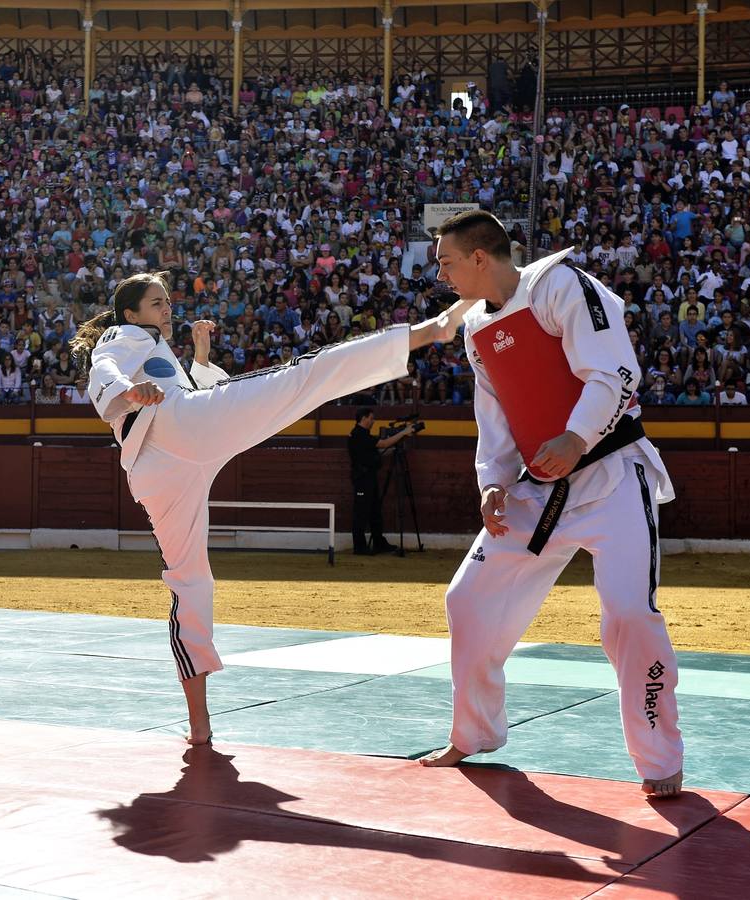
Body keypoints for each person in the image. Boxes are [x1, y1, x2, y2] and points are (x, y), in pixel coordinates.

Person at [72, 272, 467, 746]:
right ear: (131, 313)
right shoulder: (127, 334)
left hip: (161, 469)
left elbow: (181, 392)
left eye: (168, 302)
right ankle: (426, 332)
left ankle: (199, 726)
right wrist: (126, 393)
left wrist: (198, 361)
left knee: (190, 583)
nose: (167, 309)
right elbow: (106, 364)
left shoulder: (155, 349)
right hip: (177, 434)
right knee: (302, 375)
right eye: (157, 303)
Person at [420, 211, 683, 798]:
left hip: (611, 473)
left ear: (480, 257)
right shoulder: (474, 330)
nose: (441, 273)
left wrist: (577, 435)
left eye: (447, 261)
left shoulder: (560, 287)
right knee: (468, 599)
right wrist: (492, 481)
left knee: (628, 614)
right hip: (537, 490)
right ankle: (474, 733)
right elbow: (495, 416)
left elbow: (616, 371)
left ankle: (660, 757)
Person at [347, 408, 410, 555]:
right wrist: (403, 433)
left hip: (369, 477)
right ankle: (360, 547)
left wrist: (395, 448)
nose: (373, 421)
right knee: (361, 513)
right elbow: (383, 444)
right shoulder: (358, 434)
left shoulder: (362, 435)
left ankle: (378, 543)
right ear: (364, 418)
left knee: (375, 511)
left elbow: (378, 451)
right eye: (371, 418)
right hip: (362, 479)